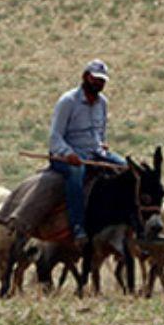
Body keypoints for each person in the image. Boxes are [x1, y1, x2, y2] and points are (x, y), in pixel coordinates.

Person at [48, 59, 126, 244]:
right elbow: (55, 137)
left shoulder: (103, 103)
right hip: (66, 155)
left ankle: (127, 224)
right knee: (76, 173)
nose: (99, 83)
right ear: (85, 77)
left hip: (95, 154)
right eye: (95, 79)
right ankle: (77, 226)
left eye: (102, 80)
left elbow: (100, 132)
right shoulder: (68, 101)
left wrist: (101, 145)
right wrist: (68, 154)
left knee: (126, 169)